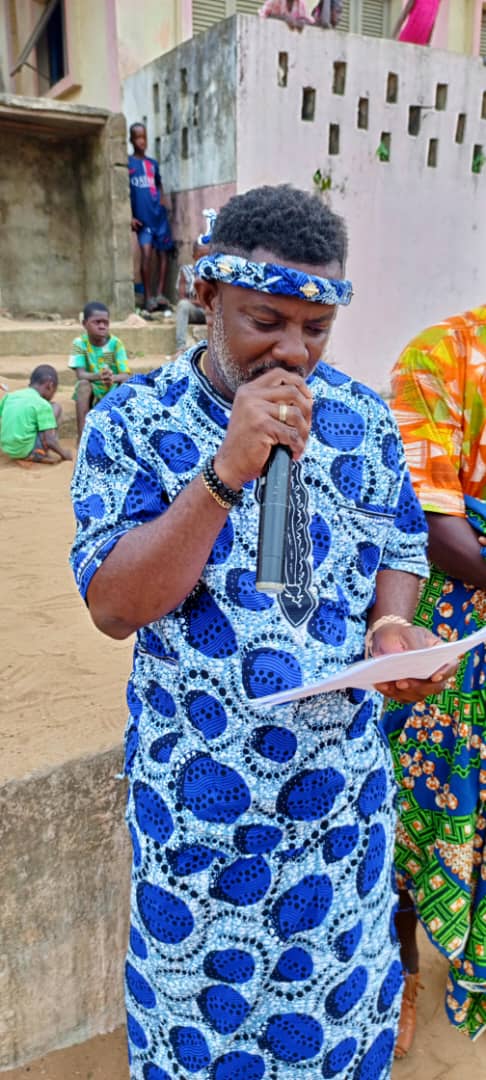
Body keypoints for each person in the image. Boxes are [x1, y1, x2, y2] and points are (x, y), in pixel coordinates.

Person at [70, 184, 456, 1080]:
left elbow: (400, 540)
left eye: (315, 329)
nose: (295, 351)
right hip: (201, 821)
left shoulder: (358, 420)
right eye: (265, 322)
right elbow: (114, 606)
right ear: (205, 296)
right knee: (199, 1045)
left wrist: (394, 627)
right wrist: (222, 475)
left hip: (337, 814)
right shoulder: (133, 422)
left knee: (333, 1034)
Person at [383, 306, 486, 1058]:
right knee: (415, 820)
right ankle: (402, 976)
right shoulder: (444, 355)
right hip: (448, 634)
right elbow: (433, 525)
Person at [68, 301, 131, 440]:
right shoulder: (79, 343)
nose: (102, 326)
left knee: (127, 382)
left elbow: (125, 374)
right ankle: (83, 439)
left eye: (105, 322)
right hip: (93, 389)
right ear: (84, 324)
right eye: (97, 322)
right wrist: (99, 376)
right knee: (83, 385)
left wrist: (112, 378)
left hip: (112, 387)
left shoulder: (116, 343)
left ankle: (123, 436)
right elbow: (80, 374)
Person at [128, 122, 174, 313]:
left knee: (163, 253)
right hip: (143, 219)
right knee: (146, 254)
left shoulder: (152, 164)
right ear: (131, 140)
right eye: (138, 137)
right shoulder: (128, 164)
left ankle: (160, 294)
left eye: (144, 137)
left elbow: (158, 185)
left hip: (159, 217)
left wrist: (164, 203)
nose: (142, 141)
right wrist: (129, 216)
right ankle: (148, 297)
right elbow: (125, 193)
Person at [0, 364, 72, 465]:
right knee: (56, 407)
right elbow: (50, 440)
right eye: (54, 391)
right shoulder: (42, 404)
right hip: (26, 450)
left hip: (8, 449)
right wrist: (65, 454)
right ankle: (39, 453)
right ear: (50, 386)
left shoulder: (10, 396)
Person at [174, 240, 207, 354]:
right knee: (183, 305)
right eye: (200, 256)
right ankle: (181, 348)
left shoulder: (215, 273)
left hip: (211, 312)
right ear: (194, 256)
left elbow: (214, 302)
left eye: (207, 256)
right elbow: (182, 299)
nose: (203, 260)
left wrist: (198, 301)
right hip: (197, 312)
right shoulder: (186, 271)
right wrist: (199, 302)